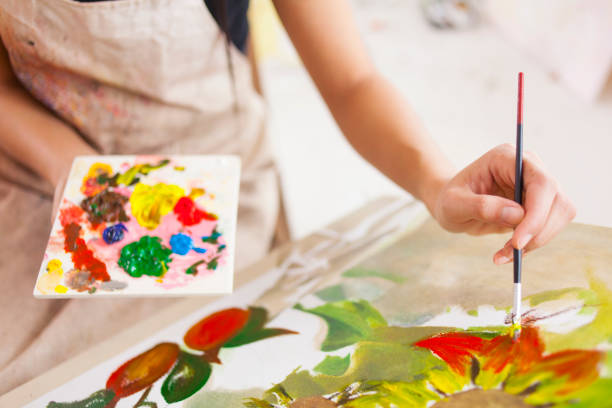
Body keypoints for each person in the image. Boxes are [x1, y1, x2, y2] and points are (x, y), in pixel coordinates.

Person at [0, 0, 574, 394]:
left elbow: (352, 84)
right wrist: (66, 162)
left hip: (202, 197)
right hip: (34, 159)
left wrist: (436, 182)